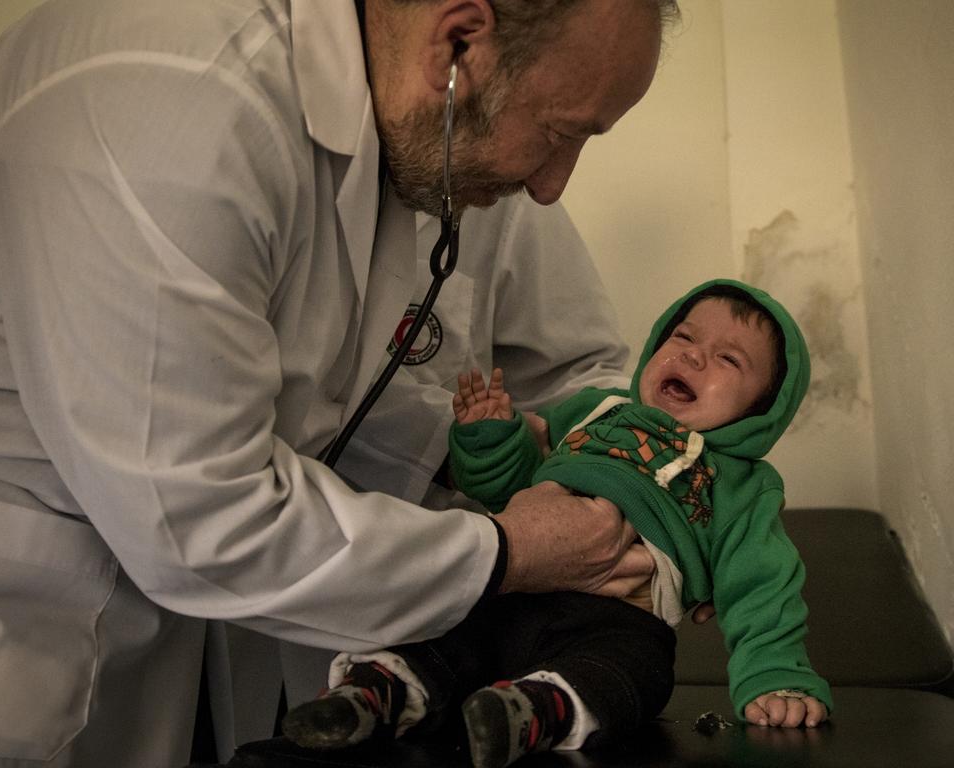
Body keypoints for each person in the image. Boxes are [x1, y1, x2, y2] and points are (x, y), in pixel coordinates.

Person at [0, 0, 680, 765]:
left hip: (229, 613)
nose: (554, 186)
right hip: (3, 609)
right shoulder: (176, 102)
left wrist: (603, 492)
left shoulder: (425, 138)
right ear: (458, 41)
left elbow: (552, 377)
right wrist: (505, 551)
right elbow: (197, 512)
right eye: (560, 131)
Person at [282, 279, 832, 768]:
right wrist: (491, 436)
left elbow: (764, 585)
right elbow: (509, 484)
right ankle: (372, 692)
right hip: (513, 586)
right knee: (443, 630)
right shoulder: (596, 410)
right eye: (684, 338)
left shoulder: (742, 484)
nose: (693, 357)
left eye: (729, 360)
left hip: (617, 617)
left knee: (639, 672)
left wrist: (775, 676)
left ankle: (534, 710)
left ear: (762, 410)